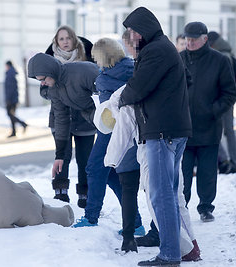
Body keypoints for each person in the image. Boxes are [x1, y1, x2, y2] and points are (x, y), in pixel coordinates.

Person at [118, 7, 192, 266]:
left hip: (162, 132)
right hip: (170, 129)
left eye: (134, 30)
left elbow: (138, 87)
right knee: (169, 195)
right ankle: (180, 250)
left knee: (161, 195)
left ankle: (170, 254)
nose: (132, 36)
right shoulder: (160, 47)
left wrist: (121, 98)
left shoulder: (155, 50)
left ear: (145, 28)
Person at [71, 37, 145, 253]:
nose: (95, 60)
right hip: (128, 129)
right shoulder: (130, 69)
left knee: (94, 168)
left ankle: (91, 217)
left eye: (96, 56)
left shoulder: (106, 78)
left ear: (104, 57)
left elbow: (106, 105)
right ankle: (136, 223)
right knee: (112, 174)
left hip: (111, 129)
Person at [180, 22, 236, 224]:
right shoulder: (179, 59)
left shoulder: (219, 60)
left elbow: (230, 93)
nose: (190, 42)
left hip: (209, 127)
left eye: (194, 39)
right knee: (183, 172)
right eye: (187, 39)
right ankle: (181, 206)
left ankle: (206, 207)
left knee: (206, 172)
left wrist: (213, 110)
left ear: (205, 39)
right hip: (183, 128)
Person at [27, 52, 99, 206]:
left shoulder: (83, 72)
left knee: (95, 164)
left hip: (106, 119)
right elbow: (61, 119)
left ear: (50, 71)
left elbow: (106, 93)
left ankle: (90, 198)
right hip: (95, 119)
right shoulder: (54, 89)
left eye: (43, 79)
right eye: (39, 81)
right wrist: (59, 154)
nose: (43, 84)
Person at [41, 25, 96, 208]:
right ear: (56, 42)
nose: (65, 42)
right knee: (62, 155)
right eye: (61, 39)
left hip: (85, 117)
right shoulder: (49, 62)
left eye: (68, 38)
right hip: (59, 115)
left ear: (74, 40)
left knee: (85, 158)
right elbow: (43, 89)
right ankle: (60, 191)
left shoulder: (87, 59)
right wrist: (55, 93)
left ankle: (84, 194)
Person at [207, 31, 236, 174]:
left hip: (223, 100)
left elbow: (224, 82)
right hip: (227, 100)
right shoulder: (228, 53)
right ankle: (230, 161)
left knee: (222, 130)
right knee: (228, 131)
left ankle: (230, 162)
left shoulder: (222, 57)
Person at [4, 60, 27, 137]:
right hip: (15, 98)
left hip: (12, 98)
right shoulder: (14, 72)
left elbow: (10, 88)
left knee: (10, 114)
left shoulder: (10, 74)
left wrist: (8, 99)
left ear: (8, 66)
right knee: (11, 114)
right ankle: (14, 131)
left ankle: (23, 124)